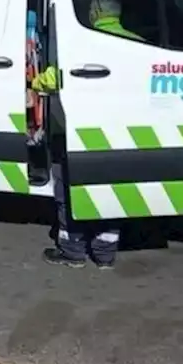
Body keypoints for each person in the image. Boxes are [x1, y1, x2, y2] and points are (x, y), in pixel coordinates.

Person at [30, 65, 120, 269]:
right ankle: (105, 255)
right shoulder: (122, 41)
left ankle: (73, 251)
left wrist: (34, 82)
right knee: (108, 192)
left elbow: (48, 79)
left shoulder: (80, 52)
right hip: (111, 134)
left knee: (66, 194)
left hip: (75, 136)